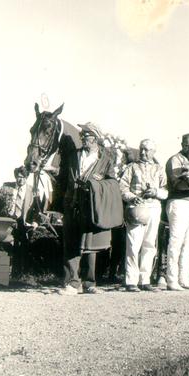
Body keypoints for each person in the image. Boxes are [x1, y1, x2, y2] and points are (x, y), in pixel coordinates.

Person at [59, 122, 122, 295]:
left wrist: (95, 183)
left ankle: (89, 283)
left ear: (95, 138)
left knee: (90, 245)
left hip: (91, 206)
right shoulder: (73, 156)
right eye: (82, 136)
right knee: (71, 243)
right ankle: (71, 283)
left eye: (87, 136)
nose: (83, 139)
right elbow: (63, 179)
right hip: (72, 204)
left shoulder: (105, 160)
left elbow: (113, 183)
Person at [120, 139, 168, 292]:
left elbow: (166, 191)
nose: (143, 152)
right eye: (142, 149)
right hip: (136, 208)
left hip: (154, 207)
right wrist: (132, 197)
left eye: (147, 150)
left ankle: (144, 279)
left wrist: (156, 192)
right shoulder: (131, 167)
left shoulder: (159, 169)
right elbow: (122, 187)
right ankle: (131, 280)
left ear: (154, 152)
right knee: (133, 244)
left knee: (149, 244)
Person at [164, 133, 189, 290]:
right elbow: (175, 183)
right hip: (179, 202)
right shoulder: (175, 160)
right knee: (176, 241)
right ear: (182, 145)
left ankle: (184, 279)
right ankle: (171, 279)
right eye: (188, 145)